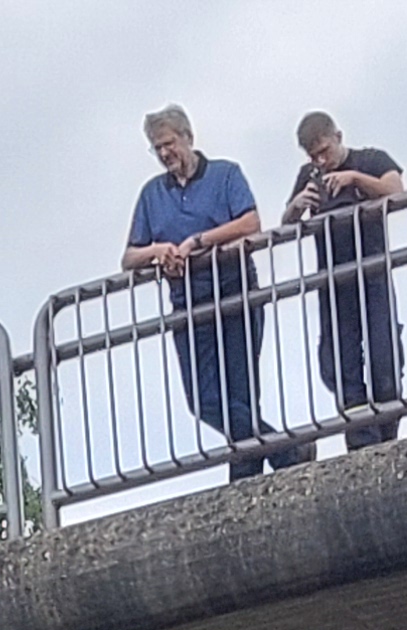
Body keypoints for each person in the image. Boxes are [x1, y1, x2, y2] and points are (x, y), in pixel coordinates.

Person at [125, 108, 301, 476]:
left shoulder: (225, 174)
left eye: (168, 144)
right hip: (188, 305)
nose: (164, 154)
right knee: (205, 401)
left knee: (240, 393)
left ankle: (246, 473)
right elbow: (128, 256)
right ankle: (287, 450)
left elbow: (251, 222)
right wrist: (160, 251)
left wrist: (198, 242)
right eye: (156, 148)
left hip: (234, 293)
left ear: (188, 137)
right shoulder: (151, 195)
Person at [284, 113, 407, 449]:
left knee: (386, 362)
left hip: (373, 276)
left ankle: (386, 434)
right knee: (339, 365)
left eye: (325, 151)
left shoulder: (370, 159)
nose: (322, 161)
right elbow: (285, 223)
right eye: (314, 157)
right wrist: (297, 206)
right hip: (333, 284)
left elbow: (396, 191)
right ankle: (362, 444)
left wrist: (354, 178)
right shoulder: (308, 176)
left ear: (338, 136)